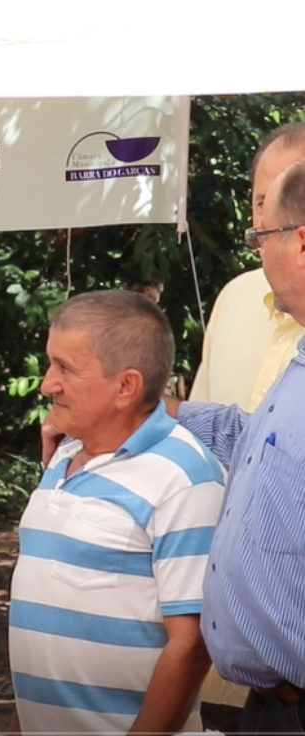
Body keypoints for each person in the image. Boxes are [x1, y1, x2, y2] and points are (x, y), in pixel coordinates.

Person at [11, 290, 223, 735]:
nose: (47, 384)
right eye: (50, 364)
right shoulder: (64, 453)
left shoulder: (185, 477)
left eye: (65, 368)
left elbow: (192, 642)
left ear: (126, 386)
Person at [175, 158, 305, 735]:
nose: (257, 251)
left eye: (262, 235)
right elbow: (254, 438)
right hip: (273, 705)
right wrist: (142, 410)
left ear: (301, 243)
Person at [190, 122, 305, 411]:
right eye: (262, 202)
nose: (268, 219)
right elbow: (206, 424)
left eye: (286, 199)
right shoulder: (235, 296)